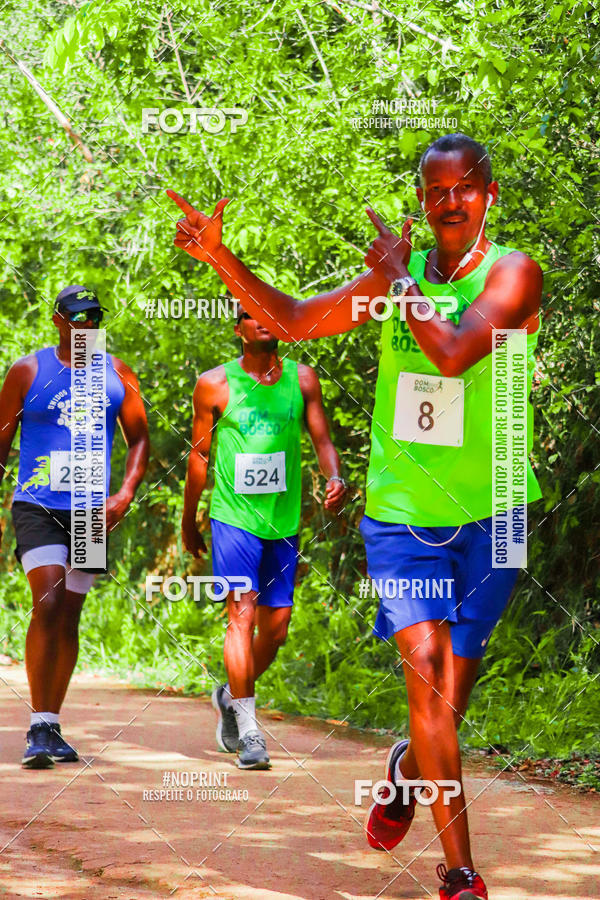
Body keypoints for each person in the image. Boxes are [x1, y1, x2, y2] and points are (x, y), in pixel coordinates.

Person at [167, 131, 543, 899]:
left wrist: (399, 280)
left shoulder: (513, 273)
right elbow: (299, 320)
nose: (448, 201)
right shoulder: (394, 277)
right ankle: (461, 872)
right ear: (420, 199)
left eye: (464, 187)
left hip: (497, 512)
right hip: (404, 517)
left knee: (446, 708)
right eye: (434, 189)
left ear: (488, 197)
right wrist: (220, 259)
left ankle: (406, 774)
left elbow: (451, 352)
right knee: (430, 683)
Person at [181, 305, 346, 769]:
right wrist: (189, 518)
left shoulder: (303, 379)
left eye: (270, 315)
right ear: (238, 331)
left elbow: (322, 439)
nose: (265, 321)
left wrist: (334, 476)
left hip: (283, 520)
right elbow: (199, 457)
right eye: (253, 317)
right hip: (233, 517)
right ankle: (251, 732)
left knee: (276, 630)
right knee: (242, 615)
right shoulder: (215, 384)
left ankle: (230, 695)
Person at [0, 286, 149, 769]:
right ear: (58, 320)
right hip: (37, 503)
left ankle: (51, 722)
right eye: (77, 316)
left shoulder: (116, 372)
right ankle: (38, 726)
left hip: (90, 510)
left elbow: (140, 437)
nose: (86, 324)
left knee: (69, 615)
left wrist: (124, 492)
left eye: (94, 316)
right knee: (48, 600)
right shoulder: (28, 371)